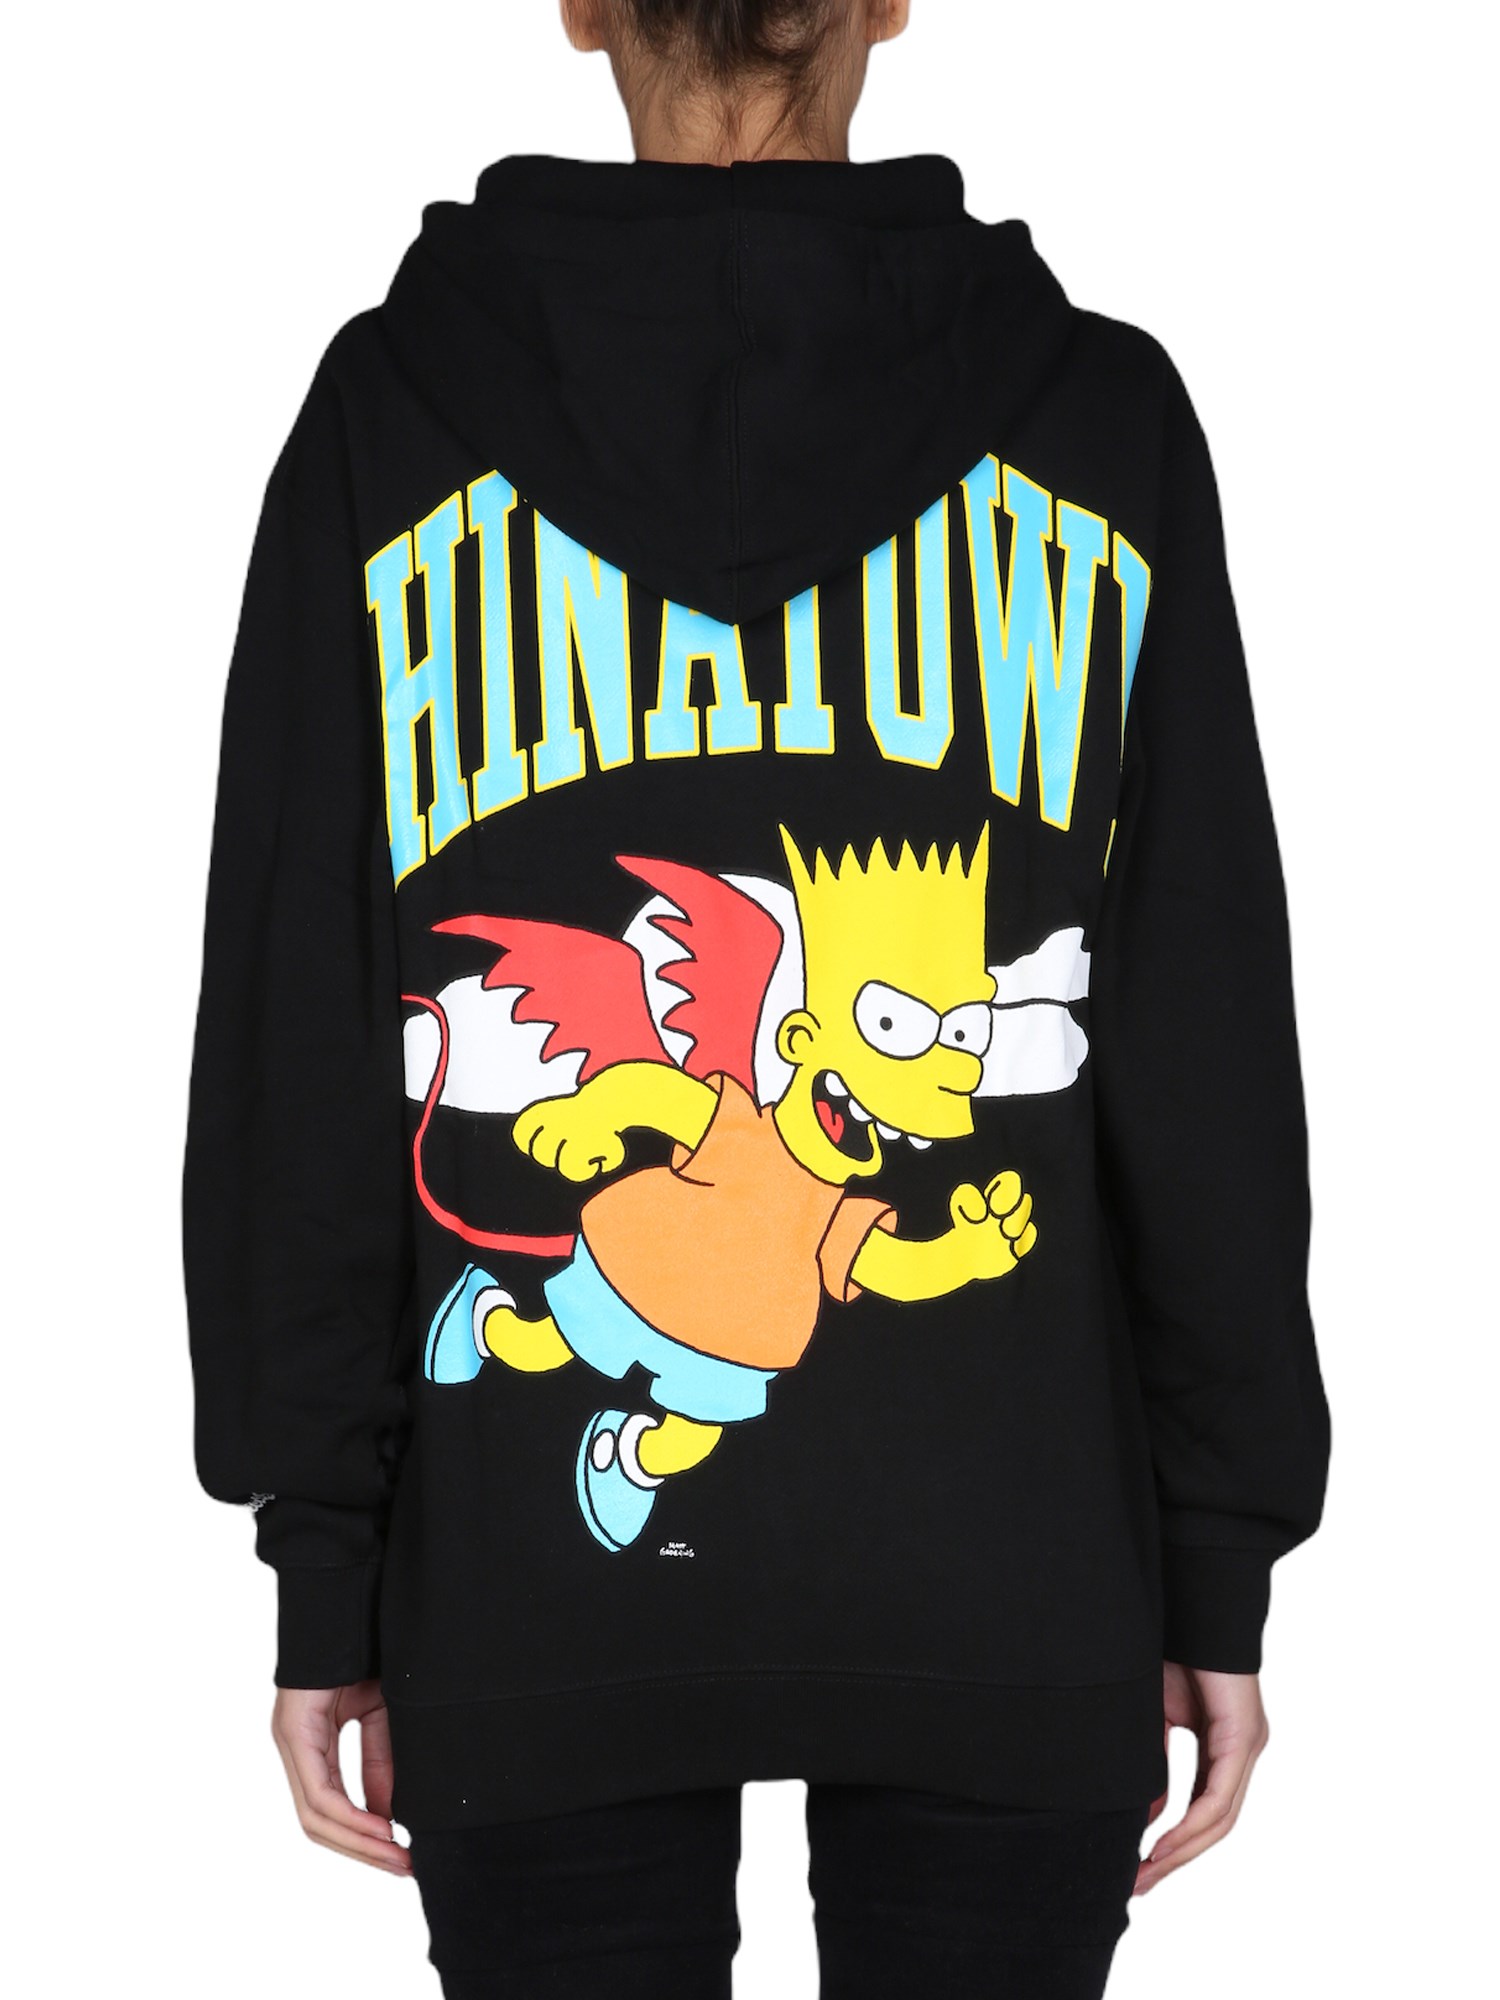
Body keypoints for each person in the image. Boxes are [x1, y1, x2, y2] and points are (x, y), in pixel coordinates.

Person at [183, 1, 1330, 1992]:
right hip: (1017, 1575)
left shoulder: (390, 421)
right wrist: (1216, 1548)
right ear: (886, 1)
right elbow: (1203, 1038)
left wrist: (327, 1561)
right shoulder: (1101, 427)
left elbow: (299, 1024)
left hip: (522, 1602)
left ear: (580, 6)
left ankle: (542, 1358)